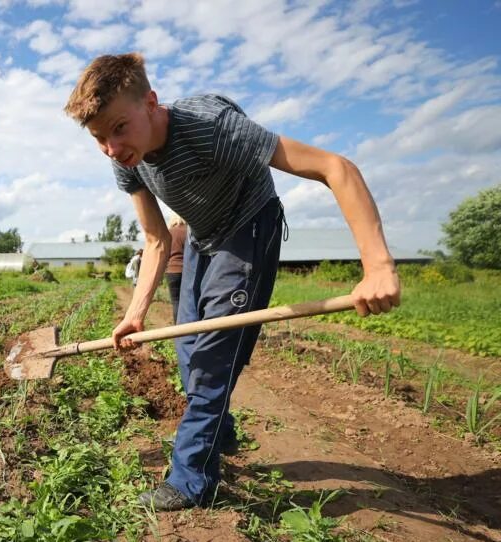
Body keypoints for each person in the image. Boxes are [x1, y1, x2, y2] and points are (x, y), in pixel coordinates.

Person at [64, 53, 400, 511]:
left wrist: (378, 266)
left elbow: (335, 167)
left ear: (151, 102)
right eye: (99, 137)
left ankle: (191, 481)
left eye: (118, 128)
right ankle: (218, 431)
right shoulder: (126, 159)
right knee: (187, 350)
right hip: (203, 236)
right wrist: (135, 313)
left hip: (249, 226)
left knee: (211, 358)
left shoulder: (209, 126)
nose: (110, 147)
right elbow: (156, 238)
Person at [166, 216, 188, 325]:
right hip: (186, 270)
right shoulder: (188, 232)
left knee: (176, 302)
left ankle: (178, 330)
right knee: (189, 301)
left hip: (171, 271)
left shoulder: (167, 233)